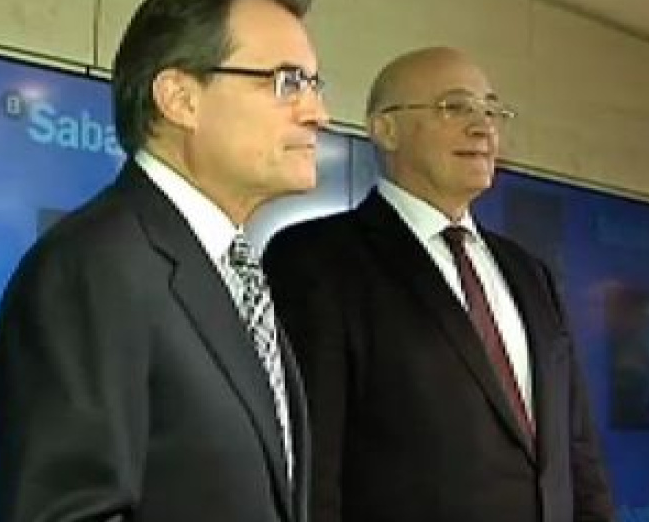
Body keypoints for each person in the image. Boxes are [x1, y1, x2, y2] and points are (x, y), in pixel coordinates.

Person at [0, 0, 328, 521]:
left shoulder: (230, 270)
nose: (317, 113)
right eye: (287, 82)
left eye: (314, 85)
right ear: (179, 98)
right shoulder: (92, 268)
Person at [263, 47, 615, 522]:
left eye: (491, 111)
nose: (483, 127)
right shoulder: (317, 260)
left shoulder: (529, 273)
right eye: (455, 107)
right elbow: (312, 469)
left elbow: (578, 448)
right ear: (386, 129)